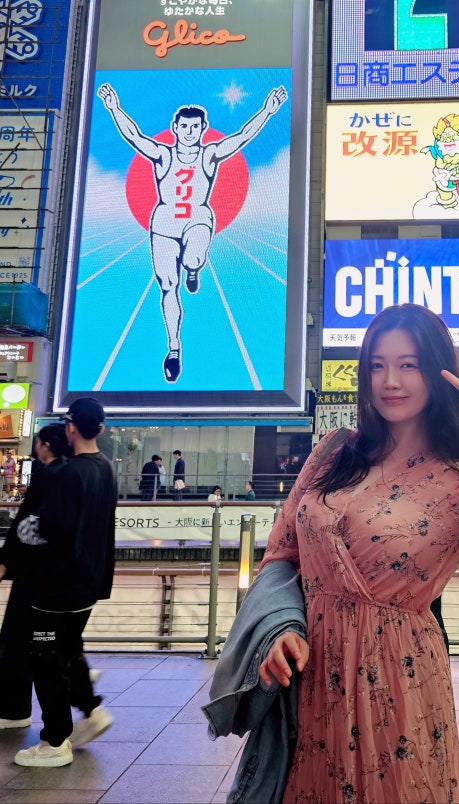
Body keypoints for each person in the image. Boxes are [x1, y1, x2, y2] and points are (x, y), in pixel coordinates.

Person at [257, 304, 459, 803]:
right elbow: (281, 551)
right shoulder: (333, 453)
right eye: (378, 365)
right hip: (312, 675)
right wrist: (278, 628)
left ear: (434, 371)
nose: (390, 380)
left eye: (408, 365)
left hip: (398, 679)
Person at [97, 83, 287, 383]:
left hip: (197, 217)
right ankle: (174, 348)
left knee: (193, 258)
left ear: (203, 129)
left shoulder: (209, 154)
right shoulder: (163, 155)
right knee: (167, 286)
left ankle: (194, 269)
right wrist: (114, 108)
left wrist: (267, 111)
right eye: (184, 126)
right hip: (164, 224)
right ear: (175, 127)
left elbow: (242, 137)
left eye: (194, 127)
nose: (189, 131)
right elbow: (134, 136)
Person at [14, 397, 118, 768]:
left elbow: (42, 530)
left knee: (46, 660)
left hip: (56, 586)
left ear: (71, 427)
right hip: (88, 583)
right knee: (68, 649)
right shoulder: (106, 468)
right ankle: (89, 710)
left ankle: (55, 741)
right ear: (100, 429)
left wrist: (21, 534)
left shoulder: (68, 474)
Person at [0, 424, 70, 730]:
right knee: (36, 645)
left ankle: (15, 711)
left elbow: (25, 523)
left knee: (18, 642)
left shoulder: (49, 476)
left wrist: (6, 562)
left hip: (33, 574)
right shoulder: (70, 473)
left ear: (45, 446)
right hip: (51, 575)